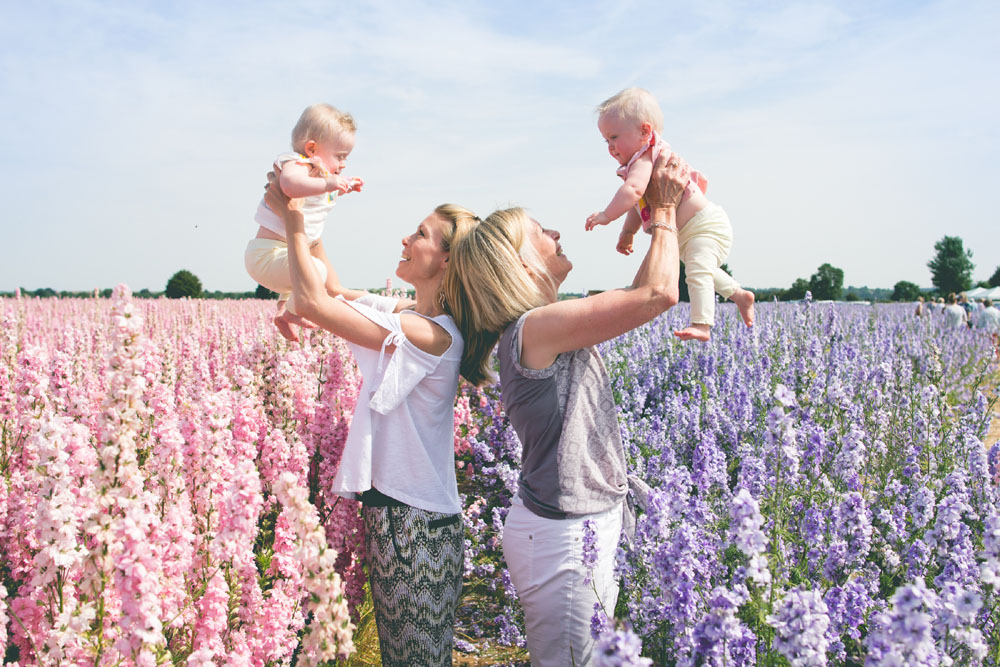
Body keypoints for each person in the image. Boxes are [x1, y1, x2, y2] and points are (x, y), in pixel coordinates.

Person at [443, 153, 689, 665]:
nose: (555, 231)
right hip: (564, 541)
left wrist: (652, 220)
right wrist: (662, 212)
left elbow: (639, 294)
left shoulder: (542, 325)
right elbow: (658, 294)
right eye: (539, 231)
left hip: (573, 530)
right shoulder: (534, 328)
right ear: (523, 264)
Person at [263, 172, 478, 666]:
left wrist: (292, 217)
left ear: (447, 259)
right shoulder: (407, 312)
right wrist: (310, 214)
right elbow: (334, 288)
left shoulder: (430, 333)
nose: (406, 238)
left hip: (416, 526)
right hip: (399, 515)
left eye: (420, 234)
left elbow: (317, 303)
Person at [584, 87, 754, 342]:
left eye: (615, 137)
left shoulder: (646, 157)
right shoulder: (640, 162)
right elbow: (640, 204)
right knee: (701, 269)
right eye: (606, 140)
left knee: (697, 270)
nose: (610, 147)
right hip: (687, 232)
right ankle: (740, 295)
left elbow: (632, 192)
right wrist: (628, 232)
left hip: (703, 225)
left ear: (645, 131)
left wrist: (607, 215)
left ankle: (702, 323)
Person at [247, 104, 366, 341]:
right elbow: (289, 185)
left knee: (306, 272)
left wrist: (344, 187)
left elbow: (319, 197)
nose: (343, 165)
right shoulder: (297, 163)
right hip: (266, 256)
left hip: (287, 255)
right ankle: (294, 310)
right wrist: (330, 184)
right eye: (340, 157)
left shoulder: (319, 176)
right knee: (316, 271)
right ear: (311, 149)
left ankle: (284, 312)